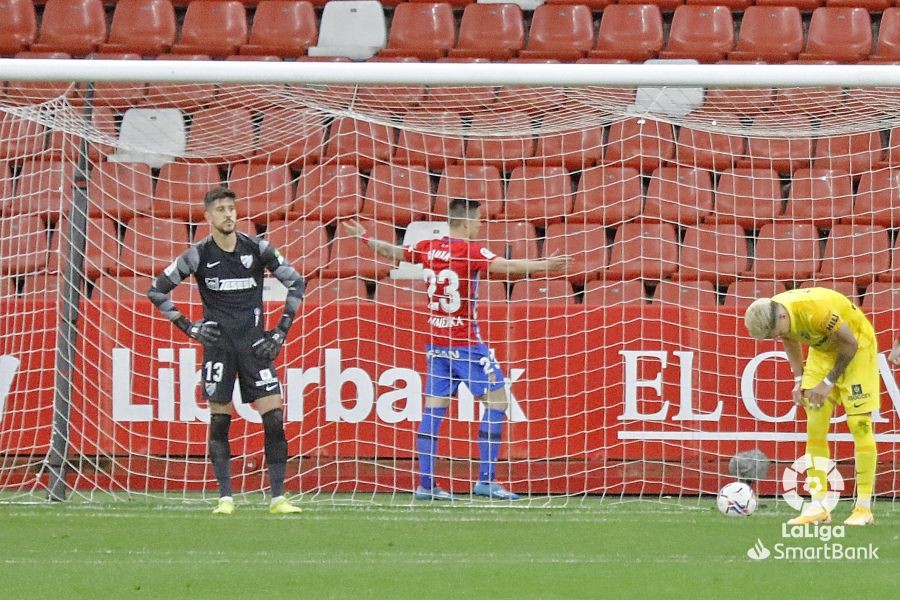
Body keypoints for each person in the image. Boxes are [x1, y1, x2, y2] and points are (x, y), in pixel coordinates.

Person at [343, 199, 570, 501]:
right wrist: (544, 266)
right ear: (465, 222)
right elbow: (508, 266)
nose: (479, 226)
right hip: (466, 344)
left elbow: (394, 253)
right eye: (477, 221)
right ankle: (486, 481)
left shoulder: (427, 247)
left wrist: (365, 238)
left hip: (437, 344)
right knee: (498, 402)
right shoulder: (470, 251)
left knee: (433, 410)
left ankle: (426, 485)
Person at [148, 187, 305, 515]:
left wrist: (279, 332)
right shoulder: (197, 255)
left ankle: (278, 498)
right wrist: (189, 328)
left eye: (231, 208)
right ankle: (226, 499)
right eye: (220, 209)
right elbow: (157, 291)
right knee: (220, 421)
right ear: (207, 217)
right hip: (218, 349)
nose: (228, 214)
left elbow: (296, 282)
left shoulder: (257, 248)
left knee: (274, 418)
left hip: (254, 347)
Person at [744, 287, 878, 526]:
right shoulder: (777, 311)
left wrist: (827, 383)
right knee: (815, 425)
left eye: (773, 333)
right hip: (822, 353)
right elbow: (789, 339)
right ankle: (819, 506)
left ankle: (863, 508)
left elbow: (850, 344)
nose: (774, 338)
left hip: (857, 347)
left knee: (859, 424)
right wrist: (798, 379)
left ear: (782, 318)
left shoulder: (815, 310)